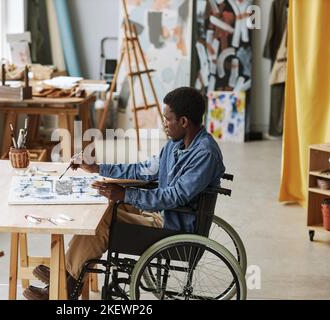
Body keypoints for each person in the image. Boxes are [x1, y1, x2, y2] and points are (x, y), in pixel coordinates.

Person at [23, 87, 226, 300]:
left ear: (183, 122)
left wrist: (126, 195)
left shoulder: (204, 154)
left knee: (103, 221)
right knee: (103, 206)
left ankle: (65, 284)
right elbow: (142, 170)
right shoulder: (176, 145)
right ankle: (67, 273)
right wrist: (98, 168)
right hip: (162, 212)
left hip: (173, 224)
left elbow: (174, 196)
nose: (164, 123)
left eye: (167, 119)